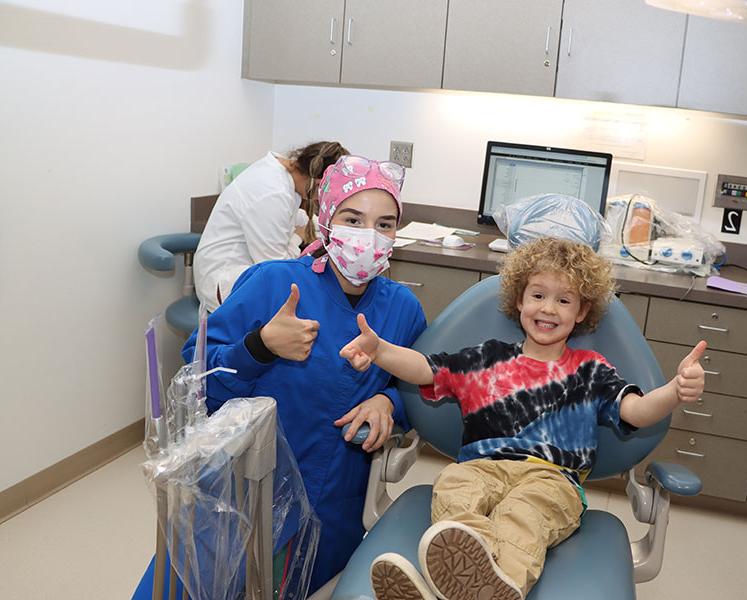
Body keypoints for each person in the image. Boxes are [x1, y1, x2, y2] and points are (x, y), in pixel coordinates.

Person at [340, 237, 707, 600]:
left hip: (552, 477)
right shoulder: (487, 358)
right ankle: (463, 580)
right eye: (538, 295)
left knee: (524, 514)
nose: (548, 308)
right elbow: (425, 368)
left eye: (564, 300)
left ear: (581, 312)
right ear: (519, 300)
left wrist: (675, 390)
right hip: (481, 465)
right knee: (455, 487)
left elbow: (636, 411)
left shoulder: (590, 371)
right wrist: (381, 350)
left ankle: (501, 586)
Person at [131, 155, 426, 598]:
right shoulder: (273, 282)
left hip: (330, 503)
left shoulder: (403, 310)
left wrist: (390, 404)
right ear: (325, 221)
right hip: (237, 494)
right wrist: (260, 347)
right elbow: (199, 379)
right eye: (353, 218)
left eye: (384, 224)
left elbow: (421, 386)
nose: (369, 236)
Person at [194, 141, 349, 310]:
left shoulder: (281, 170)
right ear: (320, 184)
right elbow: (277, 270)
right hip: (223, 284)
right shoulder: (272, 193)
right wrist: (298, 237)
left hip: (232, 269)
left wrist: (311, 227)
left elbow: (295, 217)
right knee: (313, 304)